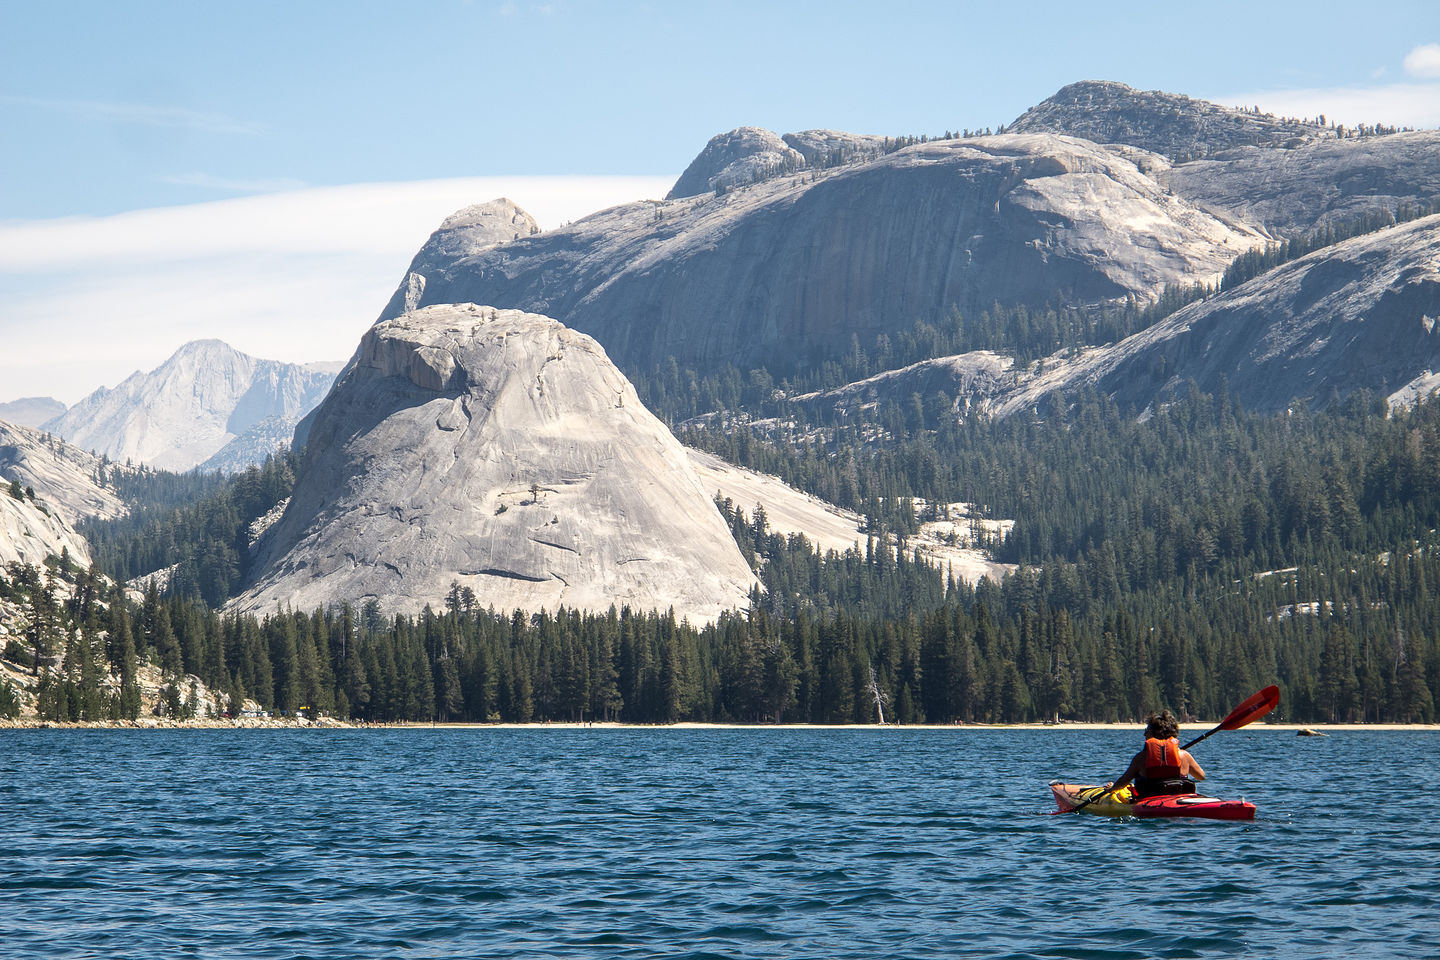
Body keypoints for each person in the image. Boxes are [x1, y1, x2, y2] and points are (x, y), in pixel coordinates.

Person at [1106, 709, 1206, 799]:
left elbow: (1123, 782)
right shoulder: (1184, 755)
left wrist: (1111, 789)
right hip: (1180, 800)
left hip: (1150, 803)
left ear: (1156, 733)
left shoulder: (1141, 758)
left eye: (1147, 731)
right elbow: (1201, 776)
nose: (1144, 734)